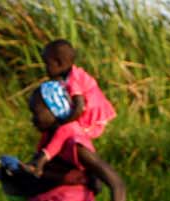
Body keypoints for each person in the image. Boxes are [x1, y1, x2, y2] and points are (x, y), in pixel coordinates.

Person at [24, 39, 116, 177]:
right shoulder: (70, 76)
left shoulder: (74, 80)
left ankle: (40, 163)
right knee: (58, 134)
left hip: (90, 118)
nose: (45, 68)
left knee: (63, 132)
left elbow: (79, 107)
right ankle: (37, 161)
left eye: (47, 64)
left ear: (59, 63)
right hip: (85, 114)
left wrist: (62, 123)